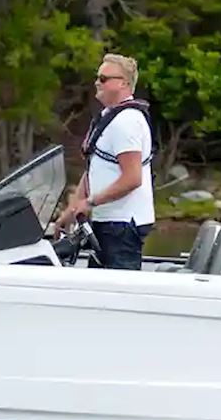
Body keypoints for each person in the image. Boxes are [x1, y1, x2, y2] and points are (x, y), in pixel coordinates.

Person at [55, 53, 155, 269]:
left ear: (123, 83)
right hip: (106, 223)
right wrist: (72, 209)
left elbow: (132, 178)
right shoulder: (111, 117)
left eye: (103, 78)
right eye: (97, 77)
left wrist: (90, 203)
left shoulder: (127, 122)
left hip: (122, 225)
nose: (96, 83)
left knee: (119, 296)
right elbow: (94, 169)